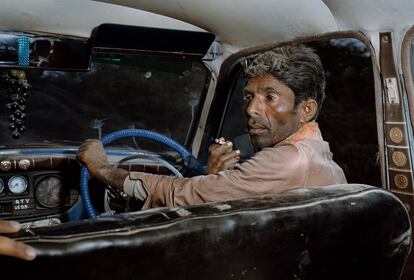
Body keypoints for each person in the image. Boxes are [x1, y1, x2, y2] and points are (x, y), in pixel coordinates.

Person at [77, 44, 347, 209]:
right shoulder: (316, 154)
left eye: (270, 97)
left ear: (306, 110)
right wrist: (219, 181)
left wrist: (101, 167)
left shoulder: (290, 160)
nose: (251, 109)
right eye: (249, 96)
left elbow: (185, 194)